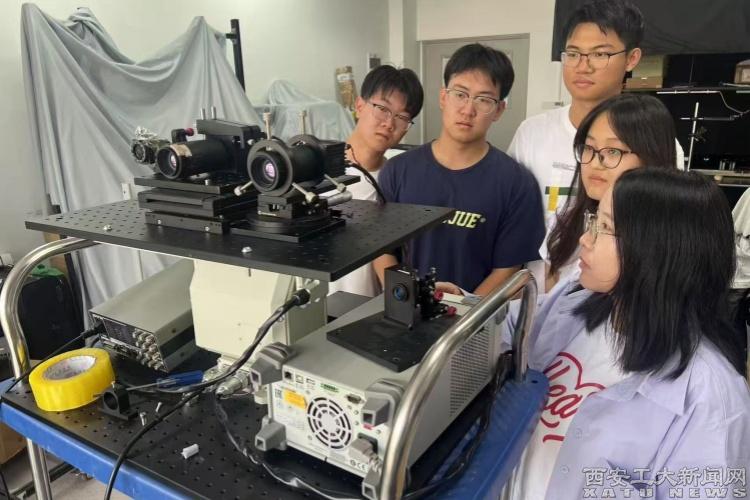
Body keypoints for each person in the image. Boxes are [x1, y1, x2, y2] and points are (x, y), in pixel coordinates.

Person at [503, 168, 750, 500]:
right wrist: (455, 306)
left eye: (605, 227)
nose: (585, 239)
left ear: (657, 250)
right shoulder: (572, 306)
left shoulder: (710, 400)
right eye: (594, 220)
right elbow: (505, 325)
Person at [508, 0, 684, 286]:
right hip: (540, 297)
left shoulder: (658, 144)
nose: (583, 66)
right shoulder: (531, 133)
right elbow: (511, 223)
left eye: (600, 54)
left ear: (632, 59)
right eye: (573, 53)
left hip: (616, 299)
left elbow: (660, 238)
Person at [373, 43, 545, 296]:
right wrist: (406, 297)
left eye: (484, 100)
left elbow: (508, 268)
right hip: (407, 310)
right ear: (443, 97)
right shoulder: (398, 171)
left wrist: (464, 309)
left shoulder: (517, 183)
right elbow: (382, 249)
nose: (468, 110)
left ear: (499, 110)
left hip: (478, 316)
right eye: (460, 94)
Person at [546, 93, 677, 289]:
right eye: (589, 147)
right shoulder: (566, 220)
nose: (595, 163)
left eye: (613, 151)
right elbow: (550, 294)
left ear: (651, 156)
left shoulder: (668, 243)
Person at [329, 64, 423, 297]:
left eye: (402, 117)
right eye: (382, 109)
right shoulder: (319, 175)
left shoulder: (399, 178)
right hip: (317, 305)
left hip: (371, 307)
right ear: (360, 106)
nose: (389, 123)